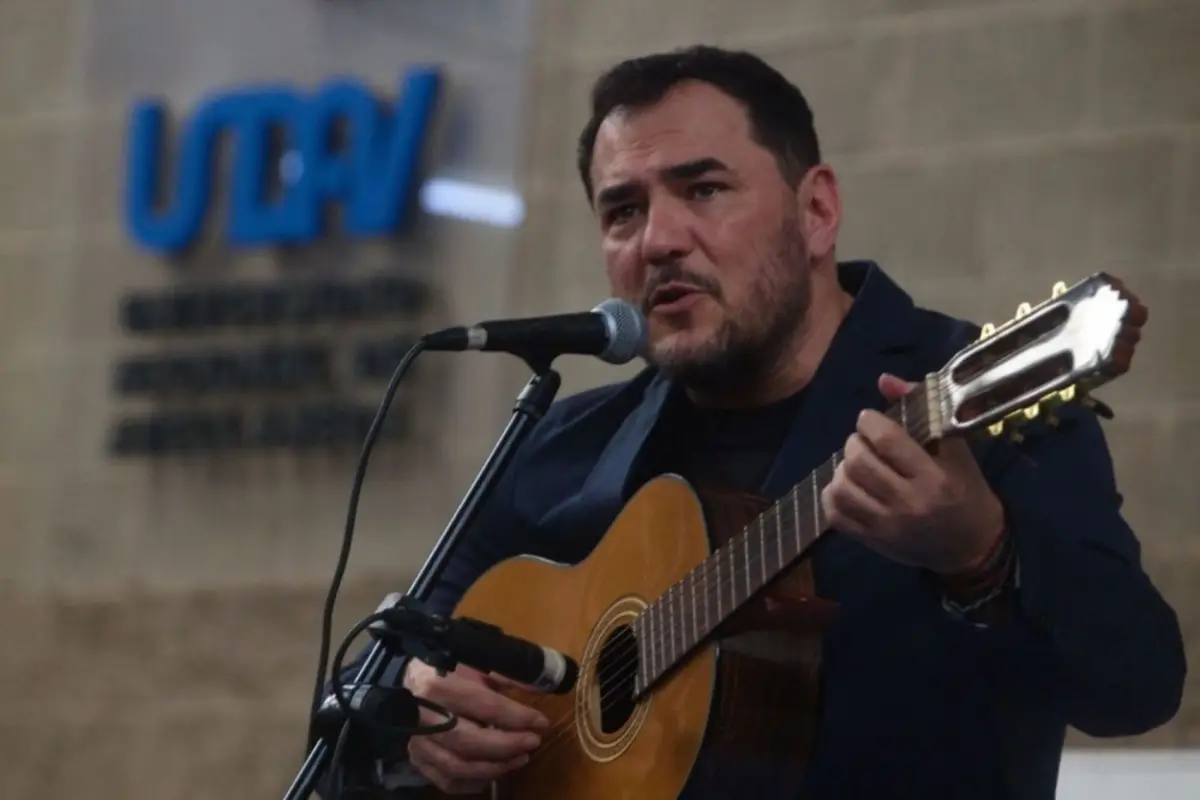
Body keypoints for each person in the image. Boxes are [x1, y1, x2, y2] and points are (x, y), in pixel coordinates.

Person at [323, 45, 1186, 799]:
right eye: (623, 211)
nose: (660, 238)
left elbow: (1139, 686)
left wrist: (981, 557)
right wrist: (415, 707)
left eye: (702, 188)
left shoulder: (957, 410)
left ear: (816, 212)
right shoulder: (559, 447)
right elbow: (365, 696)